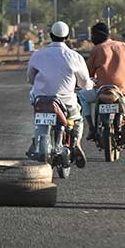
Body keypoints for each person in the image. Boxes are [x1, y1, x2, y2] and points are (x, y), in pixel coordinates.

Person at [27, 21, 92, 167]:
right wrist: (87, 85)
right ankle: (76, 144)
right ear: (67, 37)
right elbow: (84, 83)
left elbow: (30, 78)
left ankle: (36, 140)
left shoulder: (38, 55)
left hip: (41, 100)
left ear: (50, 35)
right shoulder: (74, 57)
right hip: (66, 102)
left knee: (39, 121)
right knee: (77, 120)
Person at [83, 22, 125, 141]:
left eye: (93, 35)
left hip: (102, 91)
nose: (92, 38)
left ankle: (91, 127)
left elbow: (87, 73)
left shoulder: (97, 50)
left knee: (82, 97)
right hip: (120, 90)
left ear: (98, 35)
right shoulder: (124, 47)